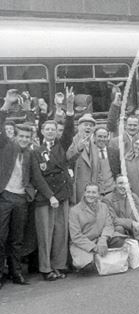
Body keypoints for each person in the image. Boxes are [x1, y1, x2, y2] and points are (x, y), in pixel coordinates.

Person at [0, 91, 57, 288]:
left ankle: (16, 274)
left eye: (27, 136)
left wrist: (51, 196)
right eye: (21, 136)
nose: (24, 139)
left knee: (17, 239)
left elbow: (38, 178)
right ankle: (1, 275)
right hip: (5, 197)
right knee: (1, 237)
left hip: (22, 199)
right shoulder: (6, 146)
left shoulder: (31, 154)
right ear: (15, 136)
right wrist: (7, 104)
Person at [32, 88, 75, 281]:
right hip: (45, 198)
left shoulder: (61, 146)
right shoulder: (36, 151)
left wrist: (70, 108)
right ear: (42, 132)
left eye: (53, 129)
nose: (50, 132)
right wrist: (50, 196)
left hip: (62, 195)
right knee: (45, 234)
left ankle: (59, 265)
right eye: (47, 129)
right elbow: (37, 178)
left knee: (60, 233)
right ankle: (46, 268)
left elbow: (68, 131)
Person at [69, 183, 123, 271]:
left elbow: (109, 225)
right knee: (86, 266)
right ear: (84, 193)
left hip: (101, 239)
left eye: (94, 192)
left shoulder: (104, 206)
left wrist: (103, 240)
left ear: (98, 194)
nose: (91, 195)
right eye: (88, 192)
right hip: (84, 243)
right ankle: (96, 257)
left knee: (119, 240)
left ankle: (102, 256)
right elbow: (76, 236)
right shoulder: (74, 211)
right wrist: (94, 247)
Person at [103, 175, 139, 263]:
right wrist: (131, 223)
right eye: (120, 183)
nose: (123, 186)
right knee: (119, 228)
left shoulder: (134, 197)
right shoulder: (107, 199)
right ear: (115, 185)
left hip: (134, 233)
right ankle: (123, 258)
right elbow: (112, 219)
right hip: (117, 233)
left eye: (125, 183)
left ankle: (138, 252)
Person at [67, 118, 120, 203]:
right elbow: (69, 158)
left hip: (104, 191)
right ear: (79, 127)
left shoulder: (95, 147)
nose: (88, 127)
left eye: (91, 126)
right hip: (83, 189)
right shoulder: (74, 141)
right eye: (86, 125)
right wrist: (78, 148)